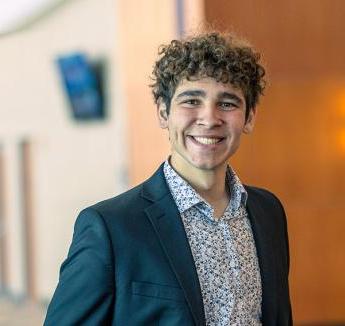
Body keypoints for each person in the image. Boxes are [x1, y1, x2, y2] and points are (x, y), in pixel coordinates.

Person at [44, 31, 292, 325]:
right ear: (163, 112)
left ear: (249, 117)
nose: (210, 118)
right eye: (191, 101)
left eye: (227, 103)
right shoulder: (110, 228)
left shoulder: (268, 212)